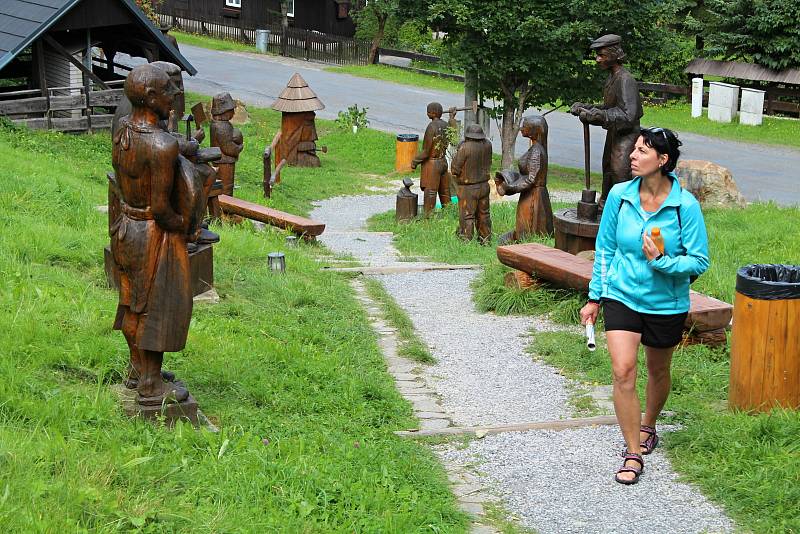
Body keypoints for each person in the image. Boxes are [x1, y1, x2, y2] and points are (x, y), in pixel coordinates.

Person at [578, 127, 709, 485]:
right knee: (622, 371)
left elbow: (699, 261)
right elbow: (605, 250)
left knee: (659, 370)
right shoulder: (620, 196)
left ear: (663, 161)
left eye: (642, 151)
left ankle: (649, 423)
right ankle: (633, 451)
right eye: (634, 149)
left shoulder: (685, 206)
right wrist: (594, 297)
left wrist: (664, 262)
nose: (632, 156)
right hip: (621, 295)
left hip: (666, 302)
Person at [111, 64, 194, 407]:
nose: (174, 96)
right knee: (160, 306)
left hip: (124, 227)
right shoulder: (161, 146)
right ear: (149, 97)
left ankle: (137, 370)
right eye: (167, 91)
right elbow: (162, 208)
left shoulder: (122, 131)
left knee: (133, 303)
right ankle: (150, 384)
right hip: (152, 232)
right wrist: (183, 223)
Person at [570, 34, 643, 209]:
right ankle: (606, 207)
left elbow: (629, 115)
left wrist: (601, 116)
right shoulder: (612, 78)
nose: (597, 59)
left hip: (627, 137)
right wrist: (586, 108)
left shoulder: (625, 80)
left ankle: (624, 211)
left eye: (601, 55)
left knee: (620, 173)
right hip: (615, 135)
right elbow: (610, 107)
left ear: (615, 54)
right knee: (608, 171)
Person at [494, 114, 553, 242]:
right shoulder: (536, 148)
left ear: (533, 131)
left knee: (527, 230)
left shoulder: (536, 151)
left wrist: (509, 187)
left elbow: (531, 179)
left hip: (533, 198)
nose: (521, 128)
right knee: (523, 230)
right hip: (531, 195)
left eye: (524, 126)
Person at [451, 124, 492, 244]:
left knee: (467, 215)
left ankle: (466, 240)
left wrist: (459, 149)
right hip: (484, 185)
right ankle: (485, 240)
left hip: (468, 188)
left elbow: (455, 169)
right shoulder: (487, 145)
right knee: (484, 214)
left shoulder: (465, 147)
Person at [412, 102, 452, 215]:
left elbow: (426, 151)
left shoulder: (431, 127)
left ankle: (428, 217)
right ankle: (448, 213)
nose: (427, 113)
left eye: (428, 111)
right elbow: (451, 139)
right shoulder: (446, 125)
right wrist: (452, 119)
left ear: (432, 113)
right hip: (443, 162)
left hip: (433, 163)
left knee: (430, 191)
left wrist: (415, 161)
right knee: (445, 191)